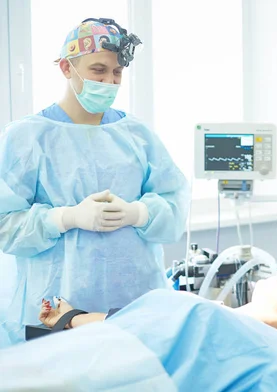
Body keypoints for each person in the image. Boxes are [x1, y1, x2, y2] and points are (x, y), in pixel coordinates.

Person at [0, 18, 189, 346]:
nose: (110, 81)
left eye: (116, 73)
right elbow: (5, 225)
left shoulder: (137, 135)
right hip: (55, 311)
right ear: (66, 68)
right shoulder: (27, 138)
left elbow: (173, 208)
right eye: (98, 70)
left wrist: (138, 214)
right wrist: (64, 218)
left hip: (134, 304)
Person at [1, 289, 277, 392]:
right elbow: (127, 322)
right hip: (81, 358)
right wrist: (67, 317)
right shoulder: (196, 305)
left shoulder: (273, 351)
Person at [37, 270, 277, 343]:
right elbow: (138, 321)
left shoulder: (232, 330)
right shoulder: (216, 314)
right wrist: (71, 316)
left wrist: (71, 319)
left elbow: (139, 328)